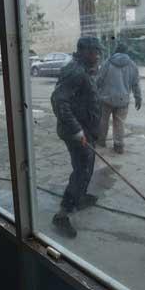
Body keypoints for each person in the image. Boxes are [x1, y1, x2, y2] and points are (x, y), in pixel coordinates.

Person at [50, 37, 102, 238]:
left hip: (86, 129)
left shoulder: (85, 69)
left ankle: (79, 198)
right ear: (81, 51)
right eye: (92, 52)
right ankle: (63, 214)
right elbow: (58, 101)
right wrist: (77, 130)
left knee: (87, 165)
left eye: (98, 51)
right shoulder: (76, 71)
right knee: (82, 170)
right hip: (76, 132)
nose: (96, 55)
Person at [96, 42, 141, 153]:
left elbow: (99, 80)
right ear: (126, 52)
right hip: (123, 100)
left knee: (103, 121)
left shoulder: (107, 63)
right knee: (119, 123)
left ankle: (101, 141)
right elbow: (136, 84)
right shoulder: (132, 65)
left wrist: (95, 93)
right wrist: (138, 97)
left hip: (106, 99)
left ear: (116, 51)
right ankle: (119, 146)